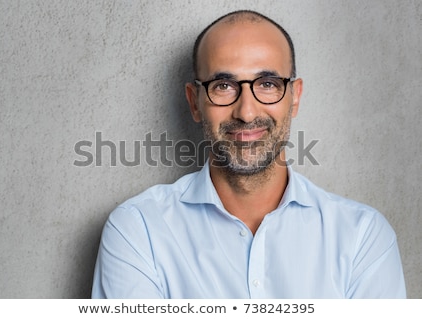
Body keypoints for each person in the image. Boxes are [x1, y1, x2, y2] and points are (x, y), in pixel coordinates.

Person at [91, 10, 406, 298]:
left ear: (294, 98)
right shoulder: (139, 230)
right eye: (223, 86)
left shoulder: (362, 236)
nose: (246, 111)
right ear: (194, 102)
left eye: (267, 83)